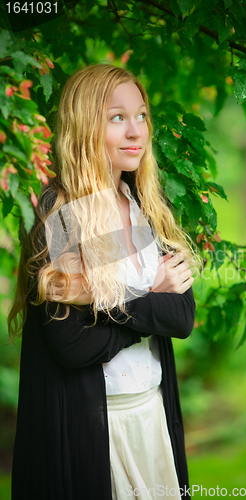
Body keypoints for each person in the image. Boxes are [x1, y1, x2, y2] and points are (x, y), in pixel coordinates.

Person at [8, 63, 202, 500]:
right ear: (83, 126)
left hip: (150, 416)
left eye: (141, 115)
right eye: (117, 118)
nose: (136, 131)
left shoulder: (145, 206)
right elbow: (73, 346)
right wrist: (147, 292)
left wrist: (95, 295)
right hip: (91, 427)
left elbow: (182, 316)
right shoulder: (59, 215)